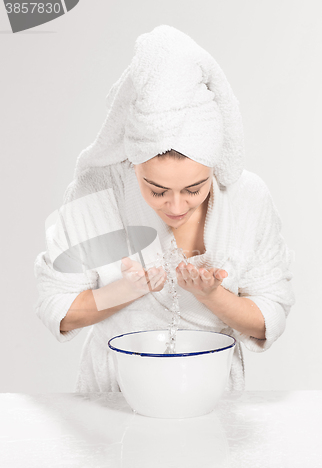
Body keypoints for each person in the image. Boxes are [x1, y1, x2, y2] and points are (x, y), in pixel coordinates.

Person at [34, 25, 295, 392]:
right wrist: (123, 291)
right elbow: (55, 306)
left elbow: (271, 315)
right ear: (133, 162)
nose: (176, 206)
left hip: (211, 398)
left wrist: (212, 296)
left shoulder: (247, 198)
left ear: (213, 166)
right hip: (111, 399)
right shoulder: (97, 192)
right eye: (156, 190)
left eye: (194, 188)